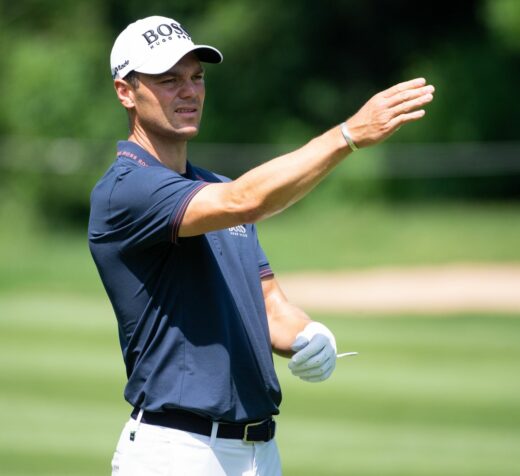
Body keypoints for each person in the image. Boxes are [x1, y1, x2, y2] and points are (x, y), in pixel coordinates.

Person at [88, 15, 434, 476]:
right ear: (125, 92)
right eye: (169, 81)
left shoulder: (215, 188)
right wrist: (346, 136)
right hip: (177, 451)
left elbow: (269, 306)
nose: (189, 92)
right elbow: (246, 200)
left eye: (196, 77)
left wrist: (309, 335)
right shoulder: (127, 188)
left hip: (259, 452)